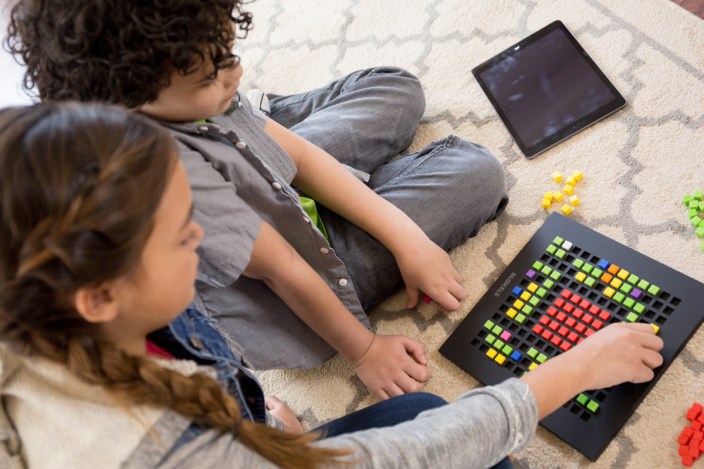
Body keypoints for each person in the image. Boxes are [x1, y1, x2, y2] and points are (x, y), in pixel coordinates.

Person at [0, 102, 664, 469]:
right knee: (461, 442)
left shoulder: (49, 301)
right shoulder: (155, 453)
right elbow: (392, 459)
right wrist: (571, 369)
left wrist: (252, 416)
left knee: (425, 412)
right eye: (182, 235)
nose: (201, 241)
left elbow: (202, 366)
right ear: (99, 296)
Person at [5, 0, 509, 399]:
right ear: (130, 96)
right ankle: (267, 149)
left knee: (396, 88)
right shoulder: (163, 177)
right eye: (213, 75)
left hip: (263, 176)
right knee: (477, 172)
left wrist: (406, 238)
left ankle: (257, 127)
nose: (237, 72)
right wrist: (366, 351)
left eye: (228, 53)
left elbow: (302, 158)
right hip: (304, 272)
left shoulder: (199, 74)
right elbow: (284, 268)